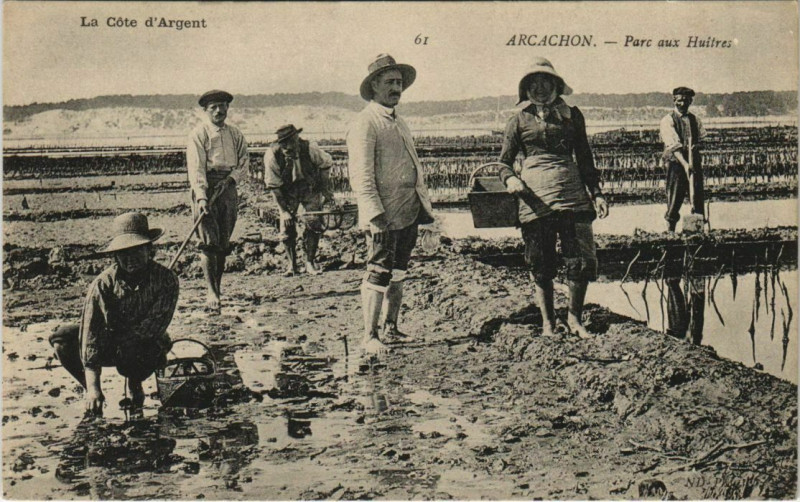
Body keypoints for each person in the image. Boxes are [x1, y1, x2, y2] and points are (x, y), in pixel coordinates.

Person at [499, 57, 609, 338]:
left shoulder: (572, 116)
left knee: (581, 259)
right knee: (541, 260)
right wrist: (511, 179)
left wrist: (596, 194)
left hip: (572, 194)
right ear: (526, 90)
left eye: (545, 83)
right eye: (533, 85)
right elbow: (503, 163)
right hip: (535, 198)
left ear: (555, 85)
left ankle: (575, 320)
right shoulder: (518, 120)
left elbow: (585, 157)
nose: (539, 89)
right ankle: (548, 323)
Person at [48, 212, 179, 414]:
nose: (130, 259)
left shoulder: (166, 280)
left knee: (144, 349)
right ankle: (91, 393)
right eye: (123, 253)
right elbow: (90, 333)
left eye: (137, 251)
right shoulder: (102, 285)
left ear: (149, 250)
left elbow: (154, 326)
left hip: (144, 344)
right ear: (115, 256)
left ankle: (135, 385)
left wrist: (127, 342)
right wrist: (93, 387)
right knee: (62, 338)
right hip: (108, 340)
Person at [347, 53, 435, 356]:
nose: (396, 88)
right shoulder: (366, 123)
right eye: (389, 83)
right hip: (384, 214)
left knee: (399, 271)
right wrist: (374, 215)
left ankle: (392, 327)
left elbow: (415, 168)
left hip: (408, 210)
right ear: (374, 86)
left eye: (399, 83)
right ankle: (370, 335)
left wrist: (427, 212)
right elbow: (361, 175)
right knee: (378, 270)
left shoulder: (399, 121)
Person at [186, 90, 249, 313]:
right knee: (208, 243)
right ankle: (211, 293)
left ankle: (218, 290)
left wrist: (231, 179)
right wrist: (202, 197)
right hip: (207, 188)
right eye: (214, 107)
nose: (219, 111)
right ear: (205, 111)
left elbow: (244, 163)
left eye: (223, 106)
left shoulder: (235, 134)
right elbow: (196, 168)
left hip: (228, 190)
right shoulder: (199, 134)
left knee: (222, 244)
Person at [264, 124, 335, 276]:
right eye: (285, 144)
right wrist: (284, 211)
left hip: (309, 187)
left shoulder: (310, 148)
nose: (289, 147)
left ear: (297, 139)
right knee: (287, 225)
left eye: (292, 142)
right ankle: (292, 265)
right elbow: (274, 186)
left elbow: (326, 164)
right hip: (286, 191)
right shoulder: (271, 156)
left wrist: (325, 189)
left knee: (313, 221)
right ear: (280, 144)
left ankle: (310, 262)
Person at [659, 87, 707, 232]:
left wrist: (696, 146)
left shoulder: (695, 119)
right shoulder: (667, 120)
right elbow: (674, 146)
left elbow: (702, 138)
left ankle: (698, 229)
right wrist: (686, 164)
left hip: (694, 162)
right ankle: (670, 230)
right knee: (675, 197)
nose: (682, 103)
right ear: (674, 100)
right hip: (675, 164)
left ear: (690, 101)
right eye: (679, 100)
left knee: (697, 196)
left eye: (686, 101)